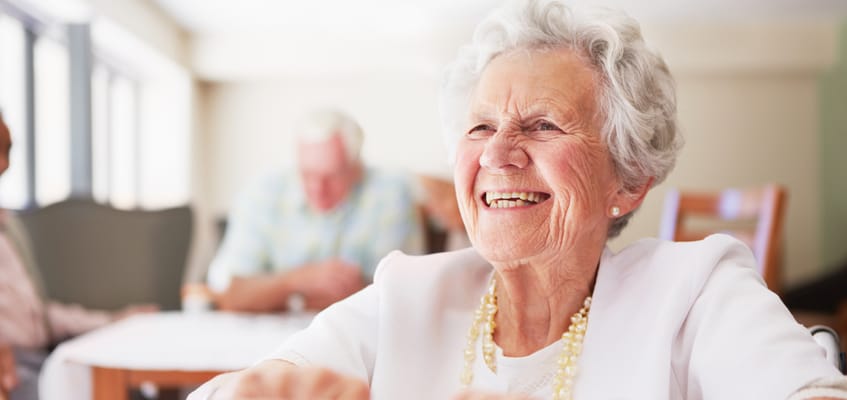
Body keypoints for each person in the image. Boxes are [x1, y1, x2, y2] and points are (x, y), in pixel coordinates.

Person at [190, 1, 847, 399]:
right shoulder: (407, 294)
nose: (496, 154)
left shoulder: (697, 291)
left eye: (542, 124)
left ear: (629, 178)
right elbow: (250, 387)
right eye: (479, 127)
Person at [0, 112, 157, 400]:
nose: (4, 164)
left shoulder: (10, 229)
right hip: (13, 372)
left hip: (43, 357)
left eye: (7, 150)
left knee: (135, 392)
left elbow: (40, 317)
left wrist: (113, 320)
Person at [206, 109, 424, 312]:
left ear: (356, 165)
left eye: (332, 176)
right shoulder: (264, 192)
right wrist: (297, 280)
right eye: (307, 174)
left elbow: (399, 295)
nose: (318, 189)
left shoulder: (391, 193)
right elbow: (230, 293)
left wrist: (278, 293)